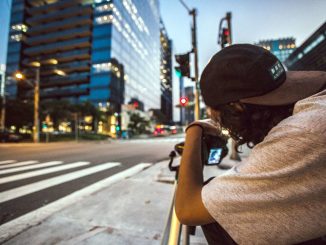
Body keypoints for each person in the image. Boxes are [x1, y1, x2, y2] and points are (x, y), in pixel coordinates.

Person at [175, 44, 326, 245]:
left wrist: (194, 130)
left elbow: (188, 209)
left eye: (216, 115)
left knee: (217, 212)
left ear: (237, 108)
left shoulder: (302, 133)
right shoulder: (314, 108)